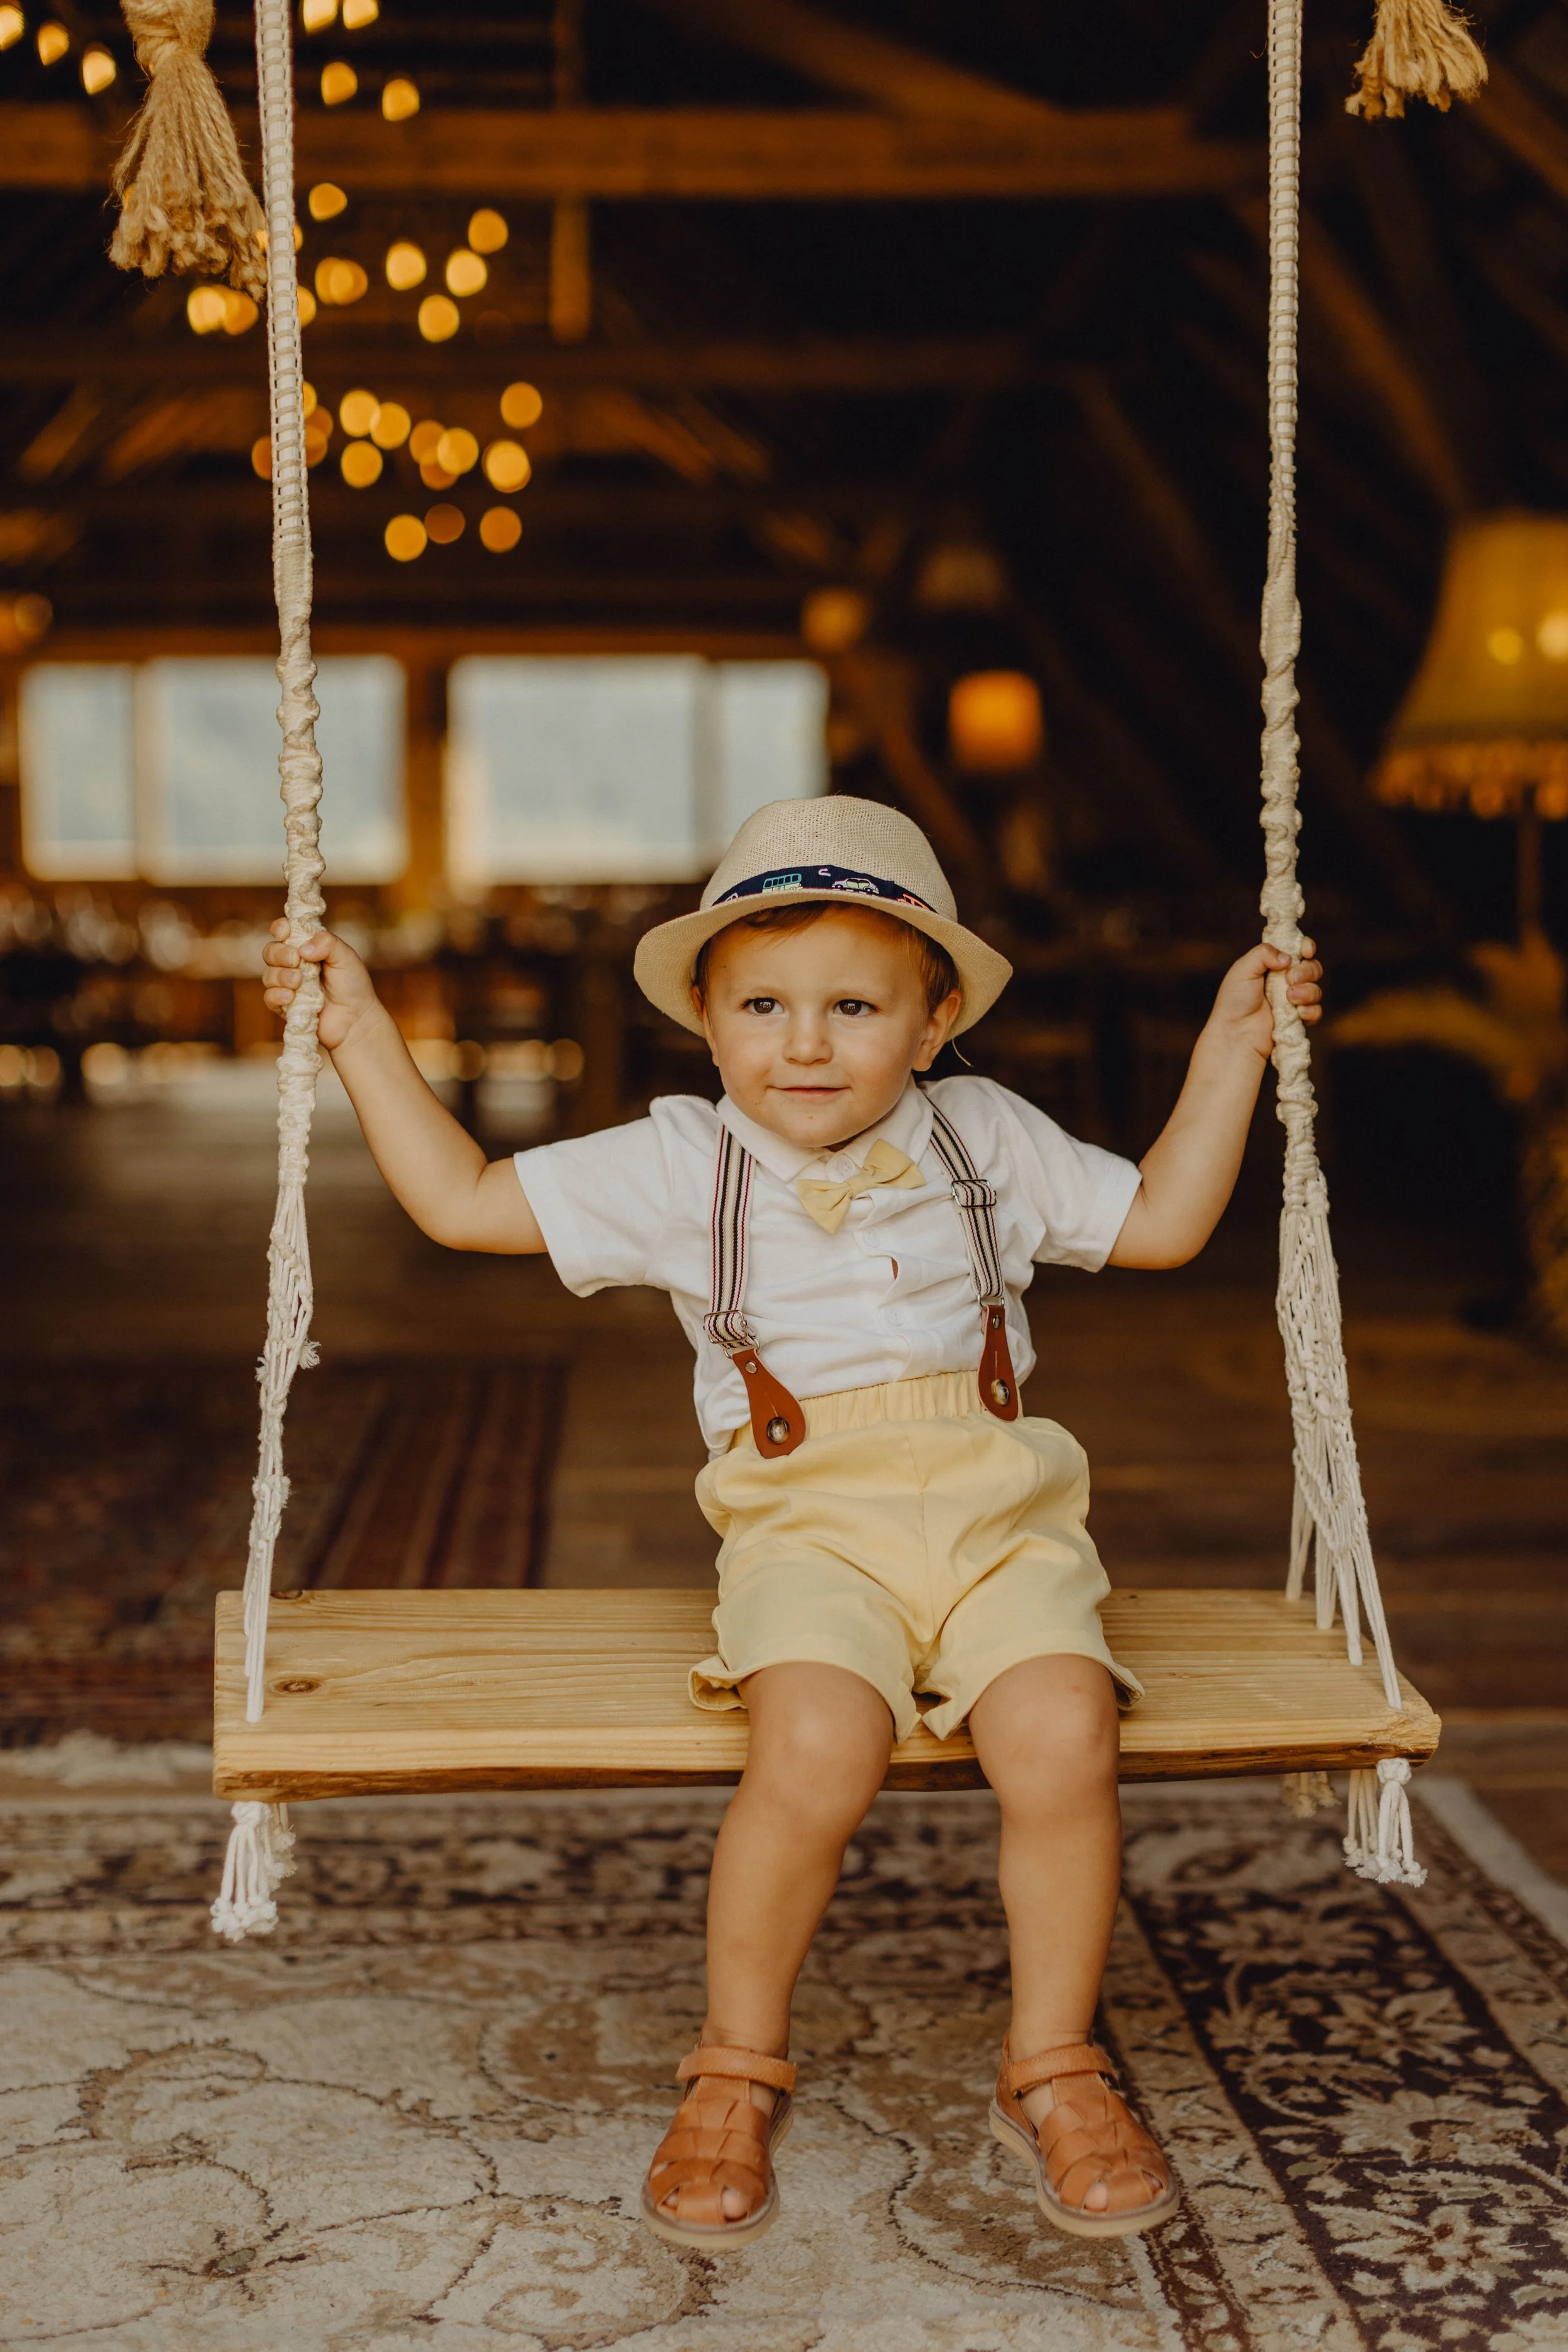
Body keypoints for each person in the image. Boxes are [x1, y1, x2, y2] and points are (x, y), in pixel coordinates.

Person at [262, 795, 1322, 2249]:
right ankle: (734, 2062)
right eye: (762, 1005)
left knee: (1063, 1734)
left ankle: (1052, 2064)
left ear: (933, 1024)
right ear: (706, 1022)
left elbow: (1158, 1224)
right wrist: (357, 1031)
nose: (804, 1044)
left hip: (1001, 1515)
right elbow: (460, 1201)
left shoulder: (984, 1136)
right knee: (818, 1744)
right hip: (805, 1526)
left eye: (853, 1007)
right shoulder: (676, 1160)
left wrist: (1232, 1048)